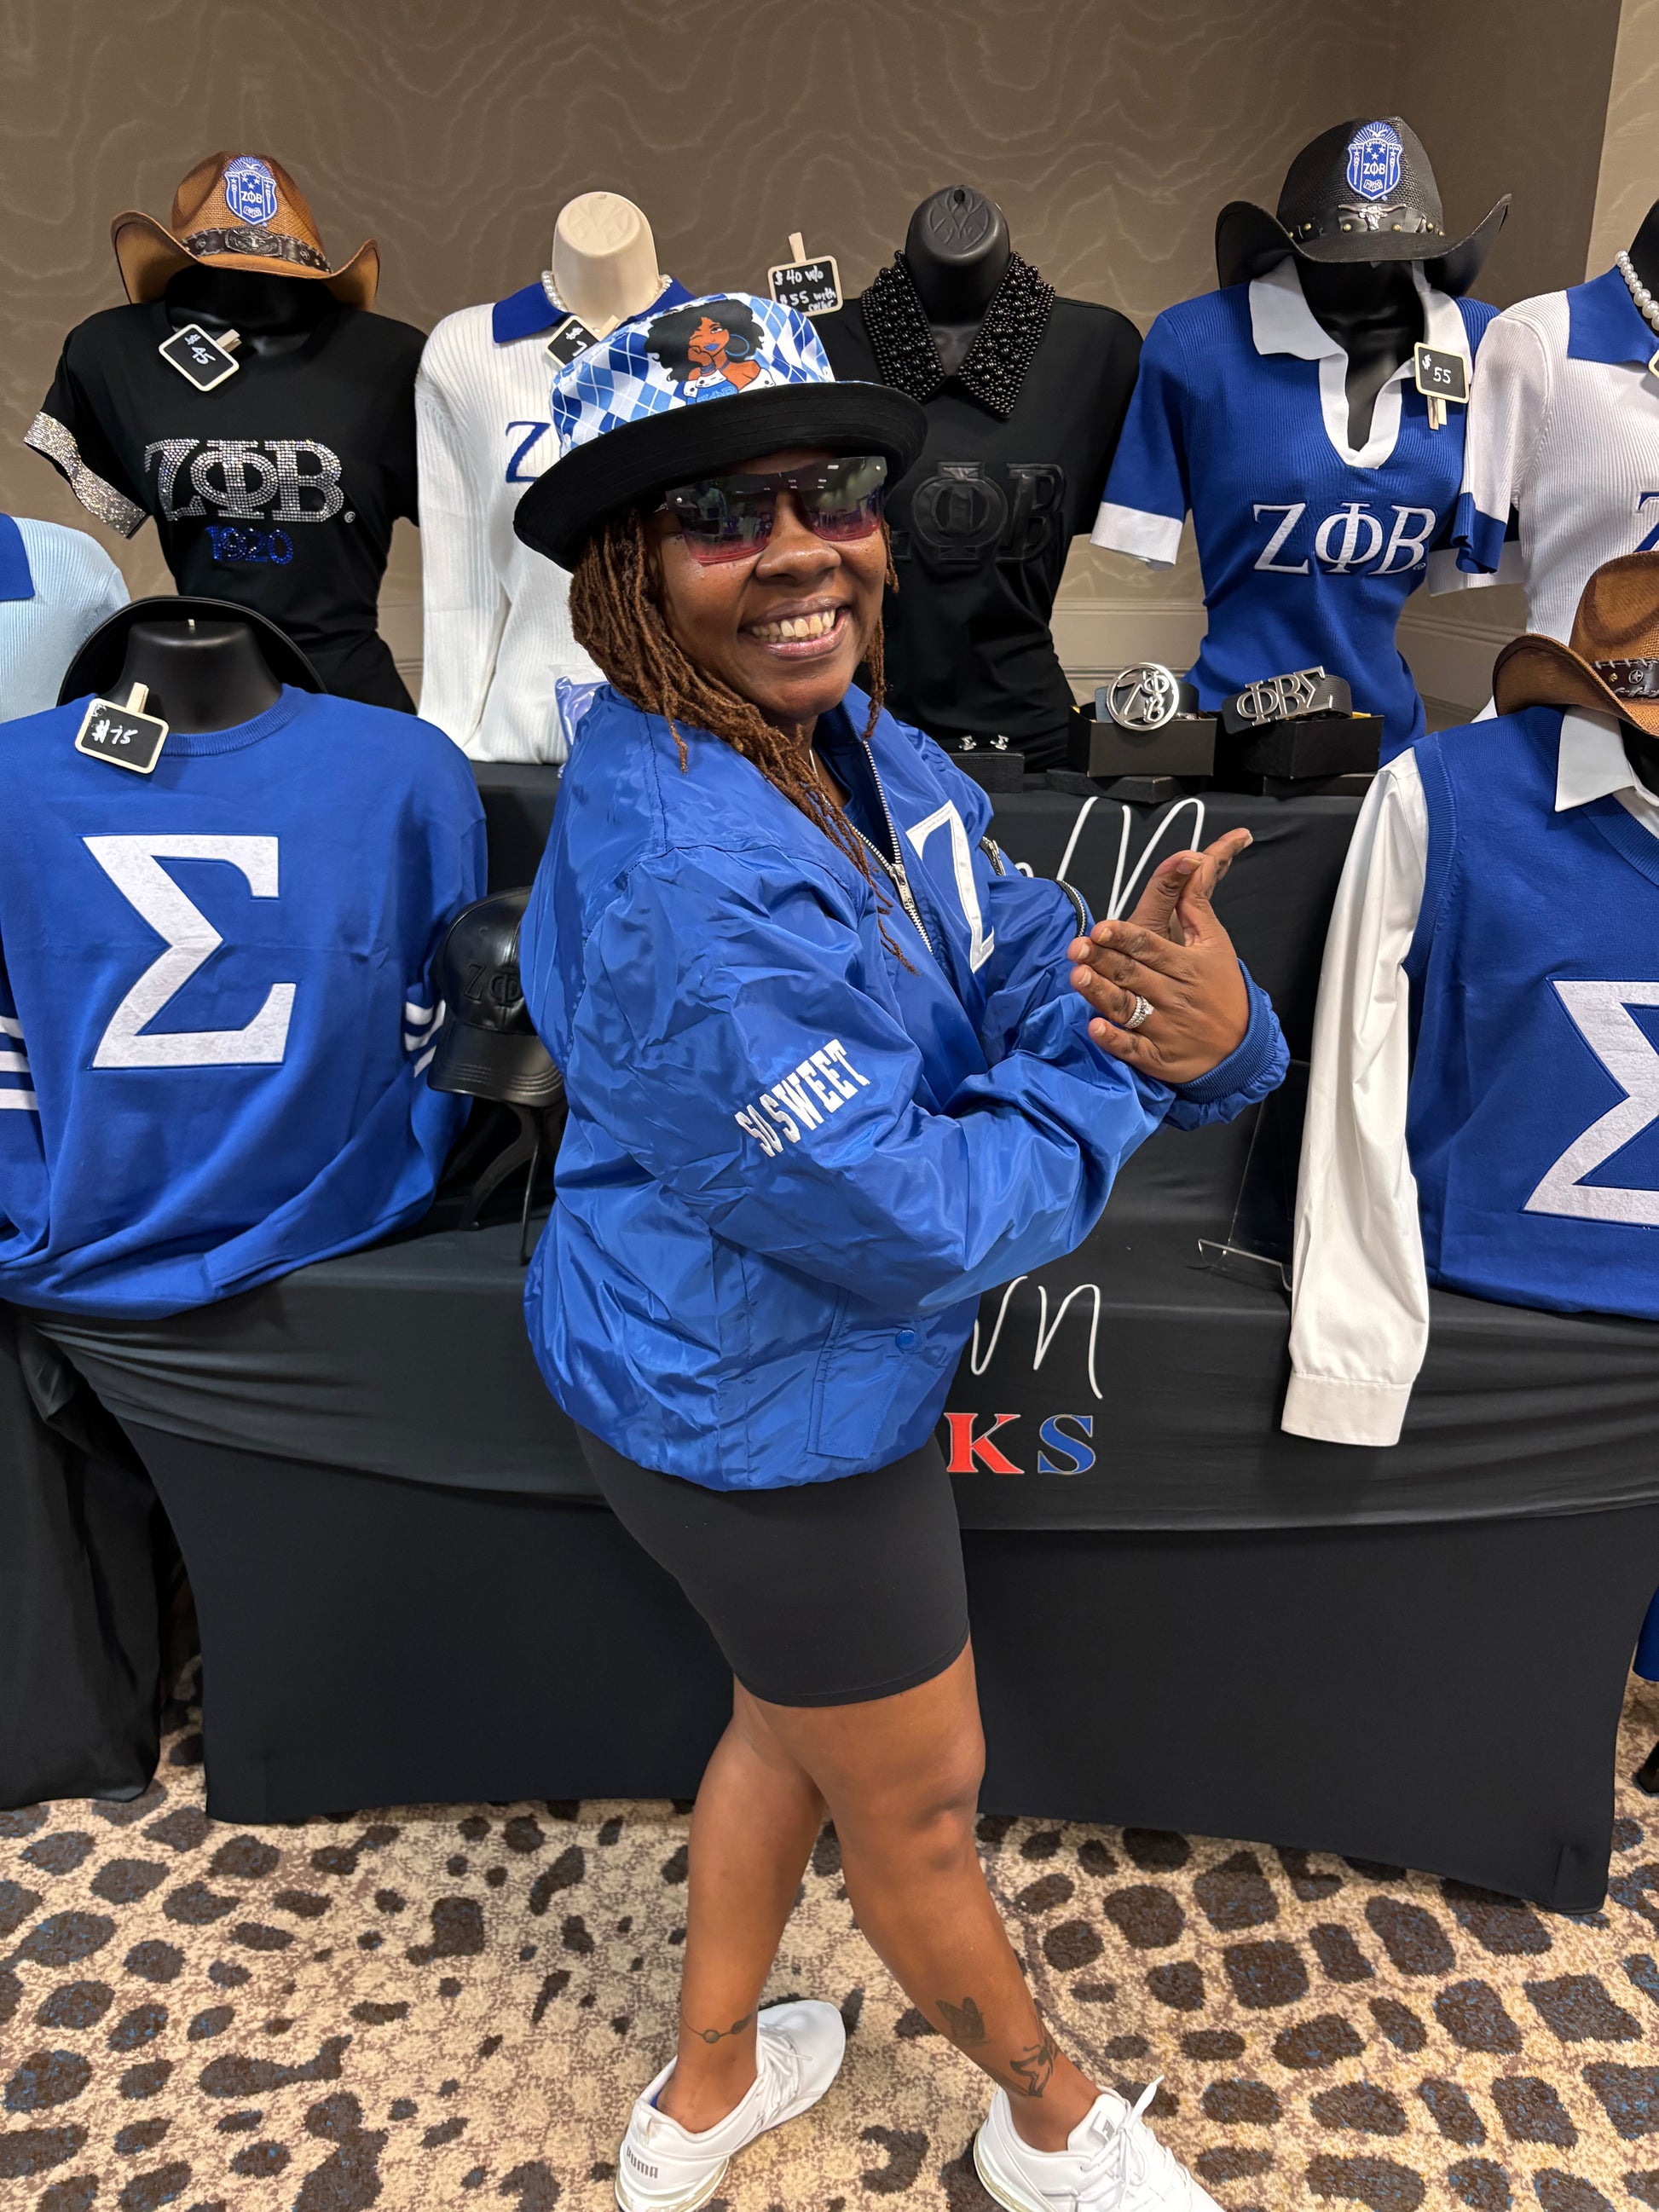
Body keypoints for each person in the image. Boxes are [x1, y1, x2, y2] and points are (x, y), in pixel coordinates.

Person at [512, 292, 1287, 2212]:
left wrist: (1176, 1012)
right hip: (764, 1412)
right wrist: (1125, 1067)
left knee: (787, 1712)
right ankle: (1044, 2114)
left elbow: (1008, 926)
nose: (798, 551)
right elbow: (920, 1215)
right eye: (720, 517)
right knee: (919, 1806)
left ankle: (702, 2091)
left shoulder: (829, 728)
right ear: (628, 571)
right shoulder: (689, 874)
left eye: (823, 492)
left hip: (742, 1367)